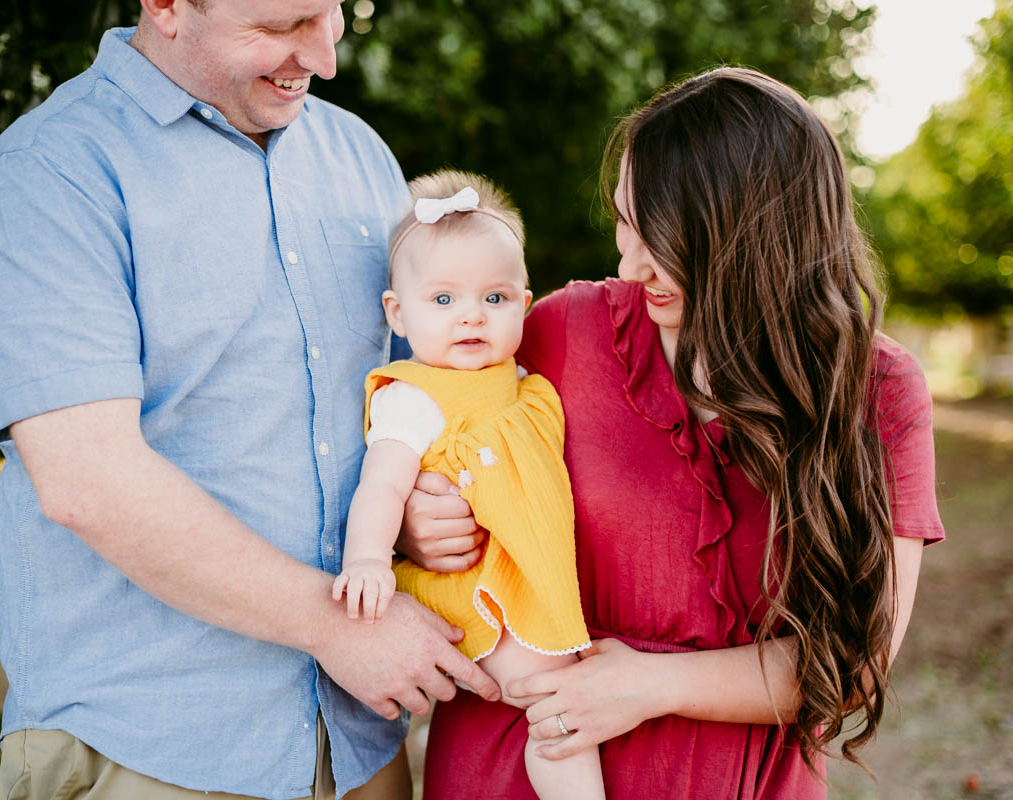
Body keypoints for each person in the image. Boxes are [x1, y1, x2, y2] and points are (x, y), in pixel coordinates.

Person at [0, 2, 500, 799]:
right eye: (280, 27)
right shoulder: (49, 175)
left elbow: (423, 395)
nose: (323, 56)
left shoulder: (357, 157)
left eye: (330, 15)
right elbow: (87, 480)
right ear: (166, 6)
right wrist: (333, 624)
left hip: (359, 745)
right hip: (148, 750)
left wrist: (413, 499)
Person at [397, 68, 945, 798]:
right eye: (625, 220)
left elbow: (853, 665)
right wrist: (414, 521)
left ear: (755, 235)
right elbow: (413, 429)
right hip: (515, 769)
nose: (630, 261)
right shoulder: (564, 332)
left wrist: (652, 684)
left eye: (663, 236)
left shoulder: (875, 391)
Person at [331, 170, 603, 800]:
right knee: (556, 699)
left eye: (495, 298)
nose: (471, 318)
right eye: (444, 301)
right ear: (398, 314)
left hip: (511, 575)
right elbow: (381, 489)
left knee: (564, 695)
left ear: (525, 305)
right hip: (468, 585)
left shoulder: (525, 385)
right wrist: (368, 560)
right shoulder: (416, 398)